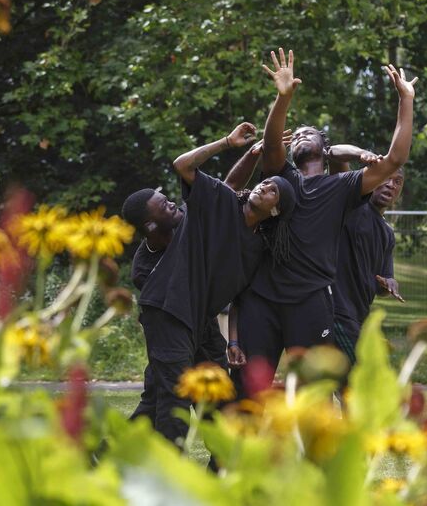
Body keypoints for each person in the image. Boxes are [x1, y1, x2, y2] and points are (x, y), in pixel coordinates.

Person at [233, 48, 417, 396]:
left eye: (310, 132)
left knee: (314, 394)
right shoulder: (281, 178)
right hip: (263, 299)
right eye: (297, 134)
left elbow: (395, 159)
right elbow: (272, 142)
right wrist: (283, 97)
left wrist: (405, 100)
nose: (301, 135)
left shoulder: (342, 187)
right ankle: (229, 453)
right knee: (247, 391)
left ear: (325, 147)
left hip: (311, 303)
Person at [121, 121, 296, 444]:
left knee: (214, 394)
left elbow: (243, 294)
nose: (264, 186)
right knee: (175, 400)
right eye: (264, 182)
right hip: (170, 312)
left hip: (200, 321)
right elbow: (191, 169)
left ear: (277, 211)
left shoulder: (258, 247)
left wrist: (233, 341)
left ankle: (219, 466)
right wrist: (229, 143)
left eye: (273, 189)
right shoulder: (209, 212)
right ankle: (169, 484)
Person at [329, 165, 406, 364]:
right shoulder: (351, 208)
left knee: (335, 385)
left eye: (397, 182)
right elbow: (340, 170)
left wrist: (389, 284)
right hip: (335, 310)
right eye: (386, 178)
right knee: (358, 384)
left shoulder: (387, 234)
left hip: (359, 316)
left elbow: (383, 281)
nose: (391, 185)